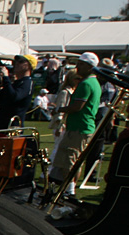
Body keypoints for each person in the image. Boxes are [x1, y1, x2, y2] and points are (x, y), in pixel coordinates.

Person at [49, 52, 101, 199]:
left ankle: (69, 191)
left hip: (79, 127)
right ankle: (67, 189)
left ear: (90, 67)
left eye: (82, 64)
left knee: (69, 160)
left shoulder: (86, 84)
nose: (77, 67)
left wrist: (59, 109)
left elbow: (77, 107)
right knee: (71, 159)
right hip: (82, 127)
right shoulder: (93, 83)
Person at [0, 54, 34, 129]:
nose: (17, 64)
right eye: (16, 62)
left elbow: (14, 97)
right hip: (1, 125)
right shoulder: (15, 83)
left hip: (12, 127)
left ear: (29, 66)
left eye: (21, 62)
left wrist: (6, 78)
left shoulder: (27, 83)